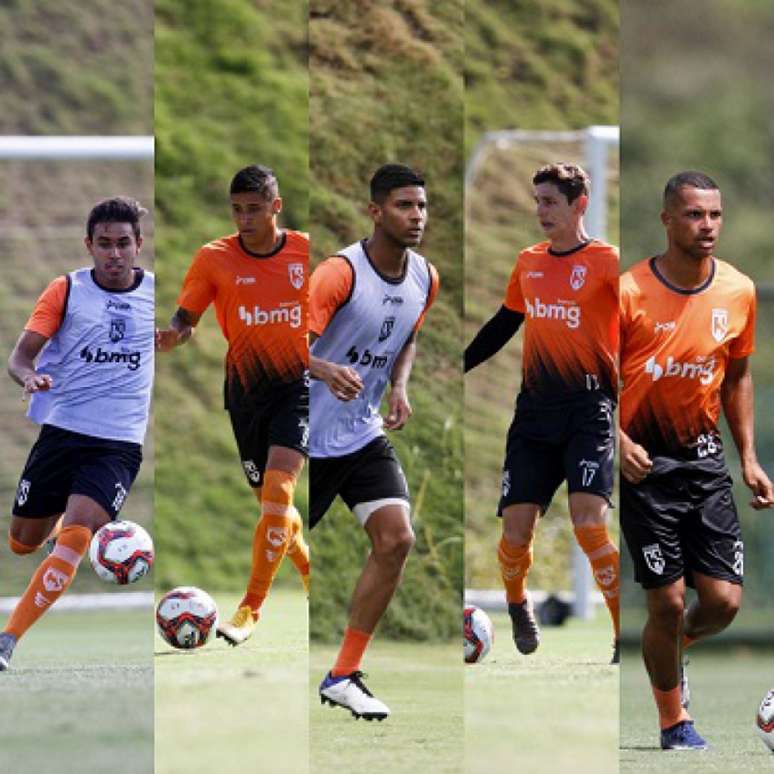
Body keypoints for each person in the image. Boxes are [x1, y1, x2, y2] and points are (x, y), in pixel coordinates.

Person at [619, 171, 774, 750]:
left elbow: (737, 376)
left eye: (713, 215)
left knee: (724, 603)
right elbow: (595, 383)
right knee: (668, 600)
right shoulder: (629, 291)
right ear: (666, 220)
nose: (705, 226)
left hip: (705, 462)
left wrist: (749, 458)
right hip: (645, 466)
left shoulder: (738, 290)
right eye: (692, 215)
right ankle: (673, 720)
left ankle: (670, 653)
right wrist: (616, 439)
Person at [465, 162, 620, 661]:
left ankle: (622, 635)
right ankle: (517, 605)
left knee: (589, 524)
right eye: (536, 201)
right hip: (534, 415)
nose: (540, 211)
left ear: (580, 204)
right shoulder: (529, 262)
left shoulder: (606, 262)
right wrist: (456, 366)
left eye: (550, 201)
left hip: (589, 411)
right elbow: (504, 323)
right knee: (515, 533)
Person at [156, 165, 310, 645]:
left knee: (279, 493)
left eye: (255, 209)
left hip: (299, 388)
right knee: (272, 510)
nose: (244, 218)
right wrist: (171, 337)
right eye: (237, 210)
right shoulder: (213, 258)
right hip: (245, 393)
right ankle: (313, 575)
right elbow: (186, 318)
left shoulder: (308, 252)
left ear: (275, 207)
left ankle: (250, 610)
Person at [0, 197, 154, 670]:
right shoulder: (66, 290)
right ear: (89, 245)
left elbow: (184, 328)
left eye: (123, 244)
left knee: (77, 535)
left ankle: (7, 640)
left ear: (138, 245)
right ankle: (63, 533)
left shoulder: (157, 296)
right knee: (22, 543)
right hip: (62, 432)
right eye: (104, 244)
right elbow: (21, 356)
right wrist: (29, 377)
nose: (113, 254)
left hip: (118, 444)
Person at [309, 163, 439, 720]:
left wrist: (400, 387)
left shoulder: (426, 278)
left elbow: (406, 336)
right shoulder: (339, 273)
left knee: (396, 538)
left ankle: (342, 674)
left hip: (361, 434)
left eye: (422, 206)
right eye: (404, 206)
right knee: (266, 553)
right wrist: (322, 368)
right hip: (303, 438)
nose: (416, 217)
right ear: (375, 210)